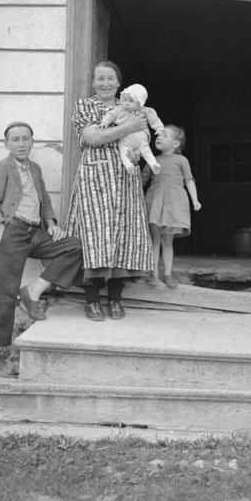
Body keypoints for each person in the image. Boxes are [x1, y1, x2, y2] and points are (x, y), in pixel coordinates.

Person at [0, 121, 83, 372]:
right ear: (6, 144)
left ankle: (34, 290)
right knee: (4, 292)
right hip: (12, 232)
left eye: (26, 139)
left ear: (32, 142)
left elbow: (44, 201)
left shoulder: (35, 168)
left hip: (35, 232)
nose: (21, 144)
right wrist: (3, 234)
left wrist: (52, 224)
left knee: (76, 247)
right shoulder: (1, 168)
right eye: (15, 139)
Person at [65, 61, 155, 321]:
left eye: (110, 78)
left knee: (124, 235)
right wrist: (127, 128)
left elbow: (143, 138)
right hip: (94, 180)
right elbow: (92, 138)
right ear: (93, 82)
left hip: (125, 178)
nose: (105, 83)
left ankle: (115, 299)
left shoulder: (132, 106)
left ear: (119, 83)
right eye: (100, 78)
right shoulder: (85, 106)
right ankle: (92, 301)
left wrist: (137, 150)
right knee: (94, 237)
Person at [142, 124, 202, 288]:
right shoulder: (152, 159)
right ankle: (153, 273)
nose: (159, 137)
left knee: (167, 241)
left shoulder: (182, 160)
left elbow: (189, 180)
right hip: (155, 203)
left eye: (165, 135)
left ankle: (167, 274)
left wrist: (195, 200)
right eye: (158, 135)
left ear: (176, 143)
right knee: (155, 240)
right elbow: (142, 179)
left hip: (174, 204)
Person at [99, 83, 165, 176]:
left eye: (131, 101)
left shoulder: (145, 110)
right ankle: (129, 166)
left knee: (146, 150)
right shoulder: (119, 109)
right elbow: (110, 115)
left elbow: (154, 120)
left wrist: (159, 128)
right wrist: (105, 122)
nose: (126, 103)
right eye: (124, 100)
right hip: (125, 139)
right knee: (123, 150)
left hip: (141, 137)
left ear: (140, 102)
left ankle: (153, 164)